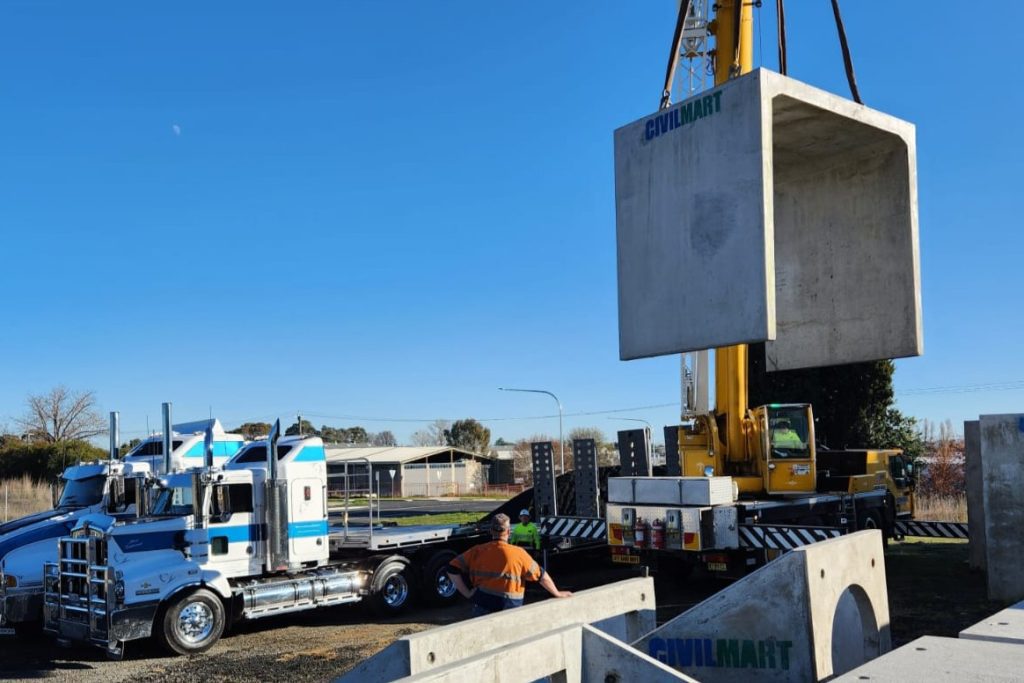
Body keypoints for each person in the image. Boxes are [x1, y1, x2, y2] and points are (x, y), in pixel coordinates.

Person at [447, 513, 571, 616]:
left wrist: (467, 593)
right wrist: (557, 593)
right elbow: (541, 576)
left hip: (482, 604)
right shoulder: (519, 553)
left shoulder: (477, 551)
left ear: (491, 531)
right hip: (511, 607)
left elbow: (452, 568)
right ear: (509, 531)